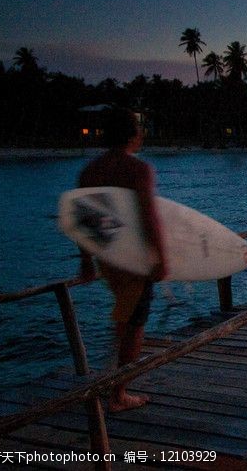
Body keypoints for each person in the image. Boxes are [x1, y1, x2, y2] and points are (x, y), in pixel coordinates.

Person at [77, 108, 167, 412]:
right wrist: (161, 258)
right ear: (133, 135)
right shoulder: (138, 169)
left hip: (108, 259)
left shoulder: (89, 171)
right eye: (139, 129)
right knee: (135, 323)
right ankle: (119, 393)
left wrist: (86, 260)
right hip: (134, 259)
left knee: (125, 316)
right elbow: (149, 218)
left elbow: (85, 219)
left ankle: (114, 379)